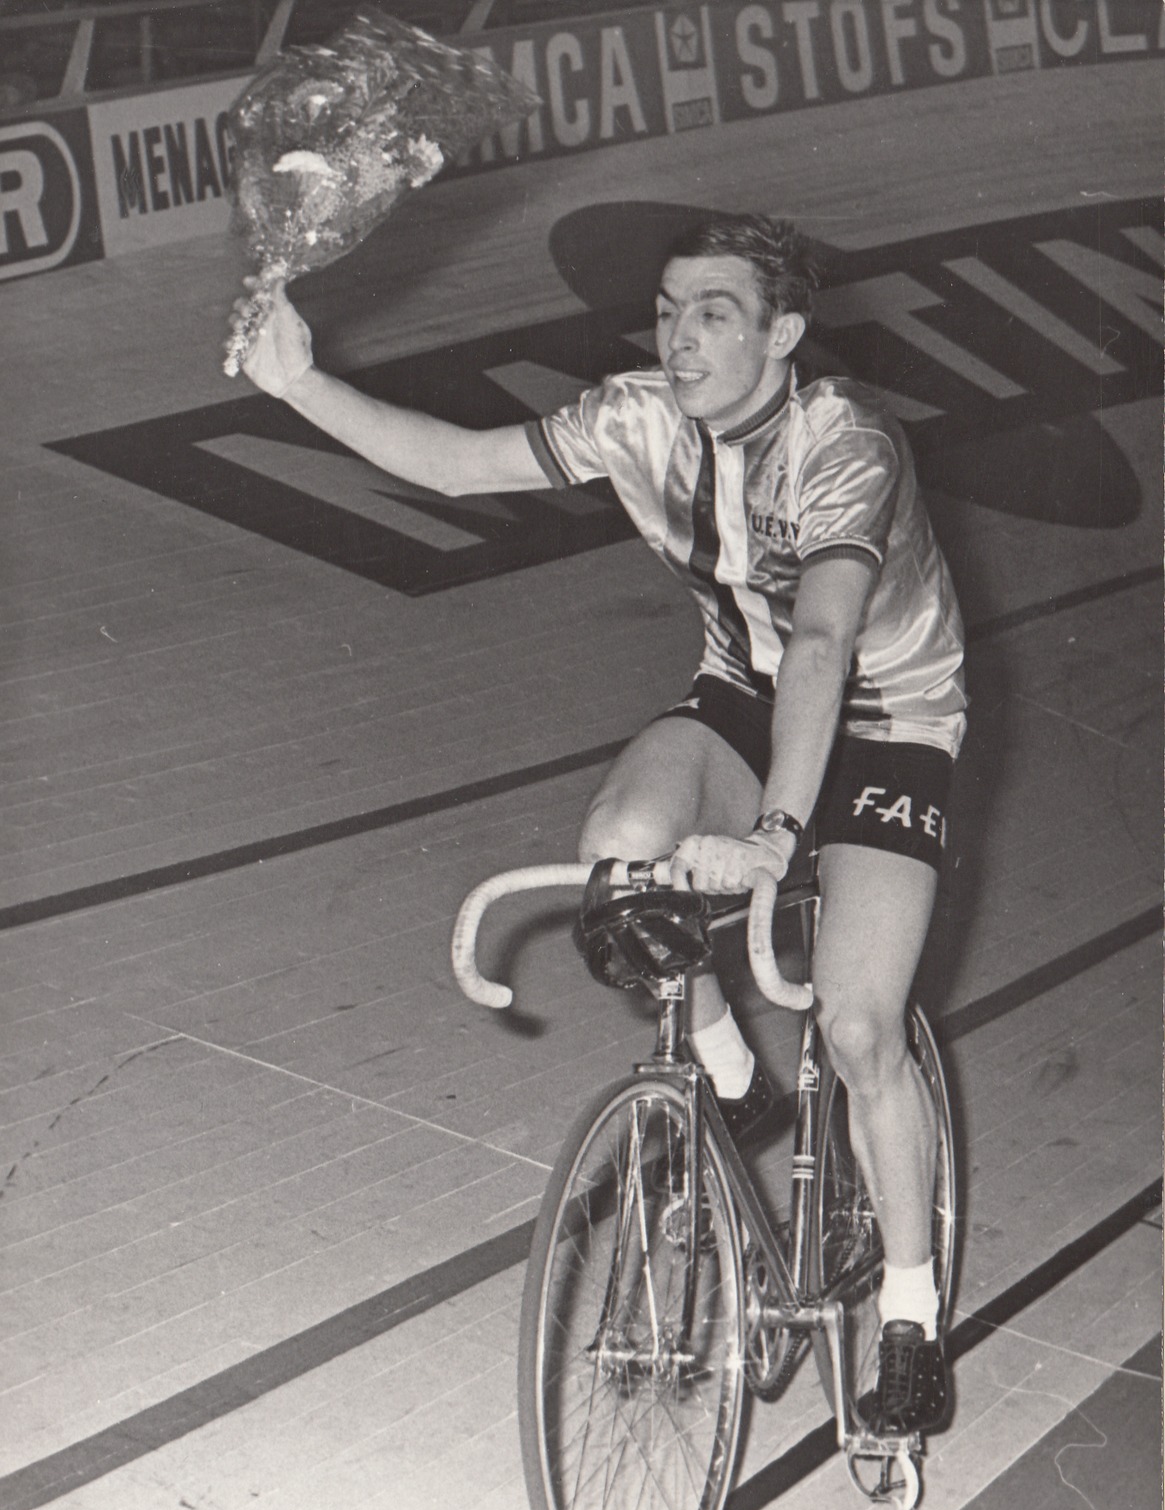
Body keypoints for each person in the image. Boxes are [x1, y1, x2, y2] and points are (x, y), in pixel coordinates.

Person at [237, 213, 967, 1435]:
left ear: (784, 333)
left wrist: (778, 834)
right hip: (743, 693)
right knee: (620, 847)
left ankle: (909, 1308)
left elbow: (829, 644)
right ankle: (733, 1080)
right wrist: (298, 380)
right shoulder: (635, 415)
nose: (679, 336)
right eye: (670, 308)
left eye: (715, 313)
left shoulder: (846, 444)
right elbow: (460, 463)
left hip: (890, 717)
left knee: (852, 1020)